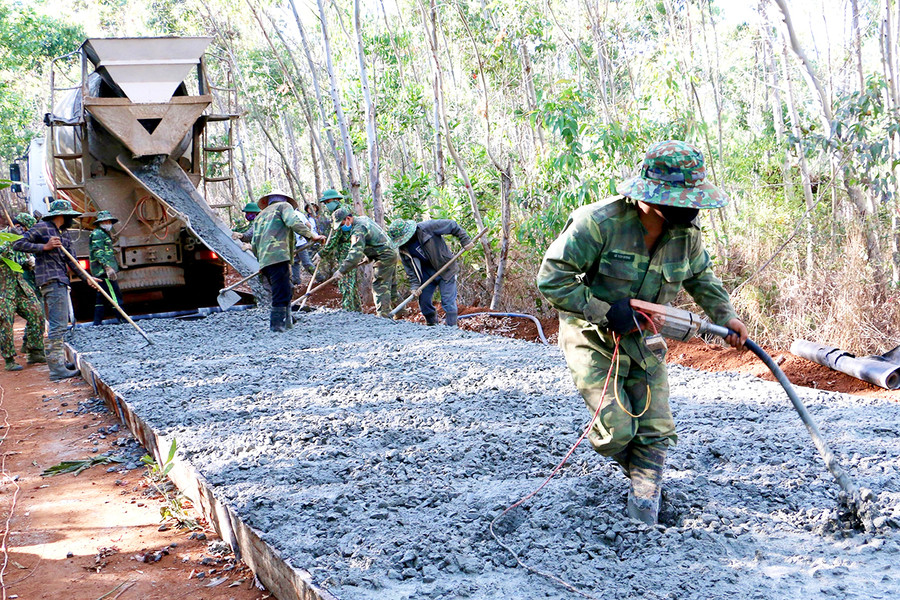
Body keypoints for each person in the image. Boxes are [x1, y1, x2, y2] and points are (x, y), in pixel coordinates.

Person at [536, 140, 748, 526]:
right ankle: (640, 478)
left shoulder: (686, 235)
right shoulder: (598, 222)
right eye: (680, 199)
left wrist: (726, 316)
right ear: (650, 196)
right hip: (593, 336)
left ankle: (643, 510)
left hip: (644, 339)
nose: (691, 207)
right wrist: (604, 311)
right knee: (617, 430)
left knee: (656, 430)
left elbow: (701, 277)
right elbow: (552, 279)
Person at [12, 199, 84, 381]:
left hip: (61, 280)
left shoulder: (65, 234)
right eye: (69, 216)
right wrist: (44, 247)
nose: (71, 220)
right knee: (57, 326)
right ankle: (57, 369)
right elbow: (18, 243)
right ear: (61, 216)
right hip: (50, 281)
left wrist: (88, 278)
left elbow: (72, 262)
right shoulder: (42, 228)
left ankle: (58, 361)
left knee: (61, 324)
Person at [250, 191, 325, 332]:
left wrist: (260, 262)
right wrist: (311, 235)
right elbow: (292, 222)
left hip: (265, 259)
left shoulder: (260, 216)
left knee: (285, 288)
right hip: (278, 256)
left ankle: (288, 321)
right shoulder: (283, 206)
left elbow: (254, 242)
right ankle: (277, 327)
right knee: (281, 292)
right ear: (285, 200)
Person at [387, 218, 473, 326]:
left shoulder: (427, 227)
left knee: (448, 301)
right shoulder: (403, 249)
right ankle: (432, 325)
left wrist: (465, 240)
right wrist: (414, 286)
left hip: (446, 269)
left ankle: (452, 328)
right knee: (424, 302)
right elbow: (410, 271)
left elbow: (452, 225)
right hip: (426, 273)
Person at [331, 207, 399, 318]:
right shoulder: (362, 219)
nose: (342, 227)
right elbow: (373, 239)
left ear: (348, 218)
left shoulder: (358, 229)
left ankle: (383, 317)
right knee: (391, 286)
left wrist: (341, 271)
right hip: (389, 252)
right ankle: (401, 311)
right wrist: (369, 256)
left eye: (342, 223)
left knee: (379, 285)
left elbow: (355, 254)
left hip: (384, 256)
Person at [0, 219, 46, 370]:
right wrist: (7, 243)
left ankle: (34, 351)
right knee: (5, 322)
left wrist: (29, 263)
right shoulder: (3, 239)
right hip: (3, 290)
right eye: (19, 228)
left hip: (20, 287)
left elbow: (20, 262)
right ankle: (9, 360)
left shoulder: (20, 242)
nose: (21, 231)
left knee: (37, 313)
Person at [316, 191, 361, 312]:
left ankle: (347, 311)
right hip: (349, 250)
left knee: (345, 281)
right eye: (324, 203)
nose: (326, 205)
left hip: (347, 252)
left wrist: (322, 253)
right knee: (351, 283)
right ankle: (357, 310)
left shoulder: (342, 213)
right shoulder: (344, 209)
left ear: (336, 199)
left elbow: (335, 238)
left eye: (327, 202)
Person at [89, 210, 123, 326]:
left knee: (101, 297)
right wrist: (107, 267)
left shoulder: (103, 233)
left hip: (102, 270)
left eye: (109, 221)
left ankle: (97, 323)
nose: (108, 223)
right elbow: (98, 252)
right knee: (114, 294)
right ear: (100, 223)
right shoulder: (97, 234)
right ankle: (122, 319)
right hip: (103, 271)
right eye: (105, 221)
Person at [13, 213, 39, 296]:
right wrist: (25, 263)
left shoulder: (27, 239)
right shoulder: (3, 238)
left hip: (31, 287)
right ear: (17, 226)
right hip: (11, 289)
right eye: (27, 231)